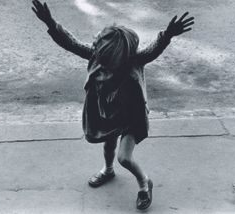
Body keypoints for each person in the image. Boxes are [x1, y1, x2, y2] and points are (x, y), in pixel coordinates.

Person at [32, 0, 194, 210]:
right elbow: (70, 43)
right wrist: (51, 23)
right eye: (99, 54)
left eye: (106, 58)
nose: (101, 61)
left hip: (130, 117)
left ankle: (145, 184)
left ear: (120, 55)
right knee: (108, 145)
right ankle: (108, 171)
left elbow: (153, 51)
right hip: (107, 113)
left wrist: (167, 35)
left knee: (124, 158)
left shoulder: (134, 60)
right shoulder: (97, 55)